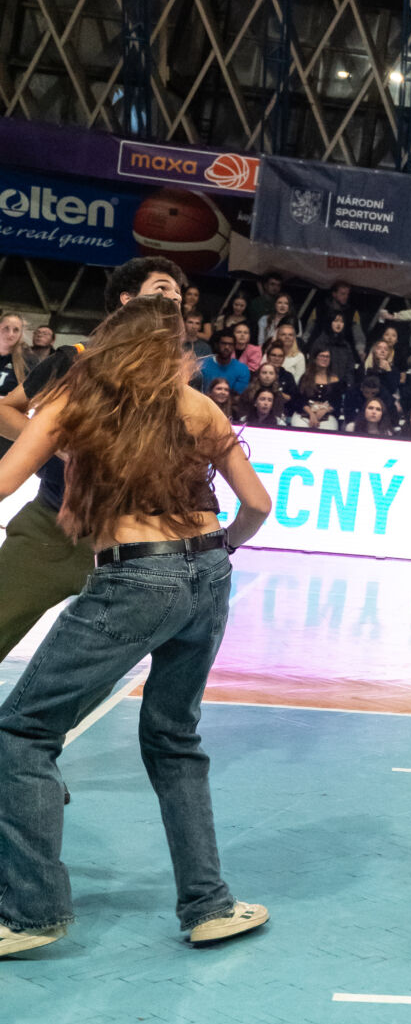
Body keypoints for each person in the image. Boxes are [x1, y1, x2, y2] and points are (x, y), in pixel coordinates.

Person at [0, 295, 274, 956]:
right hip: (208, 572)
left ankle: (33, 912)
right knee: (174, 738)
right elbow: (258, 504)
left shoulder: (78, 403)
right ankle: (209, 905)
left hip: (134, 578)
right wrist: (220, 551)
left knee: (21, 734)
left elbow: (4, 482)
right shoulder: (199, 408)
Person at [0, 260, 192, 663]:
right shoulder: (76, 359)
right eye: (162, 288)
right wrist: (55, 445)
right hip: (53, 530)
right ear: (127, 300)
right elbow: (5, 411)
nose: (174, 297)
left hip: (135, 545)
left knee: (80, 679)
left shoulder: (185, 380)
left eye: (179, 293)